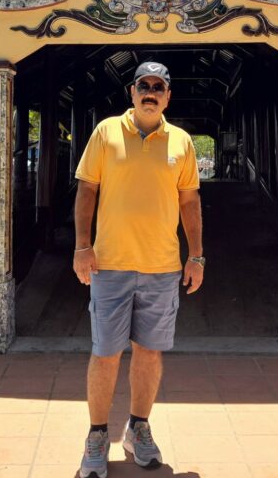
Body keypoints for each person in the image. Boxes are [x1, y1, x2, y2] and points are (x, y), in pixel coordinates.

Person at [73, 60, 203, 478]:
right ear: (131, 92)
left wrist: (196, 255)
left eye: (158, 86)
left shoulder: (181, 141)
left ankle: (138, 429)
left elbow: (189, 202)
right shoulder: (106, 132)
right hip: (109, 264)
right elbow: (87, 190)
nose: (150, 92)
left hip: (162, 266)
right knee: (106, 352)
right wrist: (82, 246)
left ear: (168, 95)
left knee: (149, 353)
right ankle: (97, 436)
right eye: (143, 85)